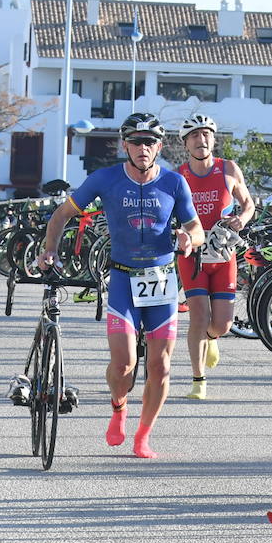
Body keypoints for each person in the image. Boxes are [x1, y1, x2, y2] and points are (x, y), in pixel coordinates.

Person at [35, 112, 204, 458]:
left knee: (161, 365)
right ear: (125, 145)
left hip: (161, 281)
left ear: (159, 146)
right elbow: (61, 215)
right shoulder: (105, 179)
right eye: (137, 141)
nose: (144, 148)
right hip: (124, 278)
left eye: (150, 141)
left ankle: (143, 435)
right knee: (124, 364)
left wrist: (189, 238)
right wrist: (49, 250)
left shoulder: (174, 183)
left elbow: (197, 228)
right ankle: (118, 406)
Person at [175, 114, 255, 399]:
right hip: (193, 255)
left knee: (222, 324)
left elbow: (248, 204)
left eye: (206, 134)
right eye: (194, 136)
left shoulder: (229, 169)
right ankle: (199, 380)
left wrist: (242, 219)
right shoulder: (178, 176)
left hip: (223, 253)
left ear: (213, 139)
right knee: (199, 316)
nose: (201, 140)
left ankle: (211, 338)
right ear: (185, 143)